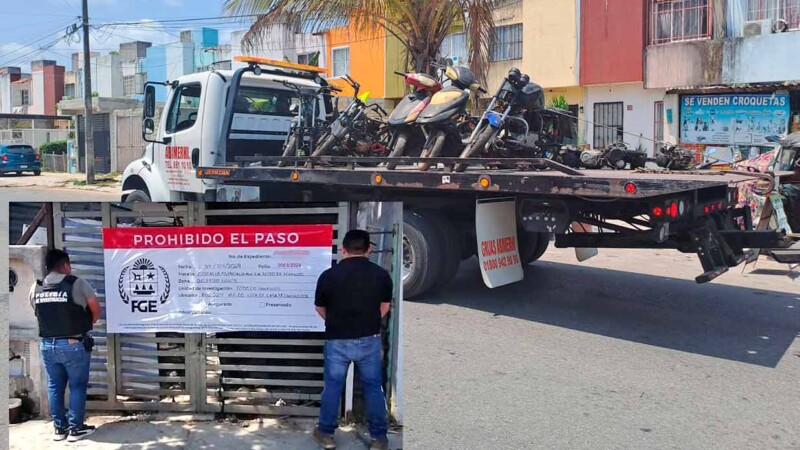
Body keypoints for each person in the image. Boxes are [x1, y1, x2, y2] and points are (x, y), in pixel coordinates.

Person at [313, 230, 393, 450]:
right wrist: (368, 322)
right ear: (369, 249)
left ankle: (326, 434)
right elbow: (384, 307)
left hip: (337, 340)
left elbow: (319, 307)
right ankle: (379, 438)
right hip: (369, 339)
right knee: (373, 388)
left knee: (332, 387)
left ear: (343, 250)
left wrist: (337, 322)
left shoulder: (328, 276)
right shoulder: (381, 275)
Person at [29, 249, 101, 442]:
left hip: (47, 344)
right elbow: (95, 307)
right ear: (66, 265)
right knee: (77, 386)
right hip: (73, 343)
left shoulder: (36, 287)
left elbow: (37, 311)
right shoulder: (76, 283)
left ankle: (59, 429)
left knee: (55, 386)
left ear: (47, 267)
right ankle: (76, 429)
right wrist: (86, 324)